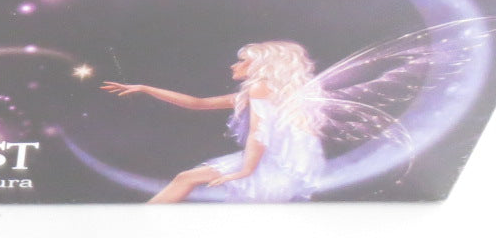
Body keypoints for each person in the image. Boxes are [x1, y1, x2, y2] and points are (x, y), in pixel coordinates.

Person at [101, 40, 327, 202]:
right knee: (187, 179)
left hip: (276, 162)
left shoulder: (260, 88)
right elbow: (198, 103)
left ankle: (138, 223)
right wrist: (145, 88)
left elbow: (258, 134)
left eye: (242, 61)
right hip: (282, 160)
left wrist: (245, 171)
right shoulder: (263, 91)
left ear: (262, 66)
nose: (233, 65)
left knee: (187, 179)